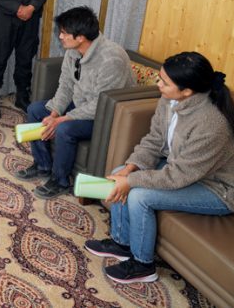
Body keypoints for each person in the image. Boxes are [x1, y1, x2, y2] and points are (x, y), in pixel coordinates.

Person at [84, 52, 234, 284]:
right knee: (121, 169)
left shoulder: (211, 125)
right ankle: (121, 243)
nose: (158, 84)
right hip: (184, 168)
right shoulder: (169, 100)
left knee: (139, 196)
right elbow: (154, 140)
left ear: (187, 91)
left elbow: (178, 176)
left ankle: (143, 265)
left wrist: (131, 181)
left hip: (216, 188)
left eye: (164, 82)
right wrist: (130, 168)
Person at [15, 6, 135, 198]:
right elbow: (66, 86)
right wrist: (54, 113)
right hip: (81, 104)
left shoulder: (111, 59)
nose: (60, 36)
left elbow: (100, 105)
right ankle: (43, 165)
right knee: (36, 110)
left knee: (64, 129)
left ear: (81, 37)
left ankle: (60, 180)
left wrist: (62, 120)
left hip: (105, 116)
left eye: (64, 33)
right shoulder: (73, 51)